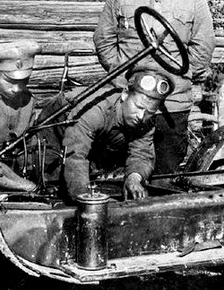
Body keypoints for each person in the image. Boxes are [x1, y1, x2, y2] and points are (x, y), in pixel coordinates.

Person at [93, 0, 215, 174]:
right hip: (126, 101)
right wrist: (120, 76)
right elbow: (103, 40)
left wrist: (178, 78)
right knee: (114, 172)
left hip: (171, 106)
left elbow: (202, 50)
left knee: (164, 174)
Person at [41, 69, 174, 201]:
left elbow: (142, 154)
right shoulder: (94, 111)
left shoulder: (146, 121)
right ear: (125, 94)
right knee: (51, 185)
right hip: (52, 134)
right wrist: (87, 200)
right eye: (138, 107)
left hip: (95, 143)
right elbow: (76, 156)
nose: (141, 116)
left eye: (149, 112)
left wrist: (133, 179)